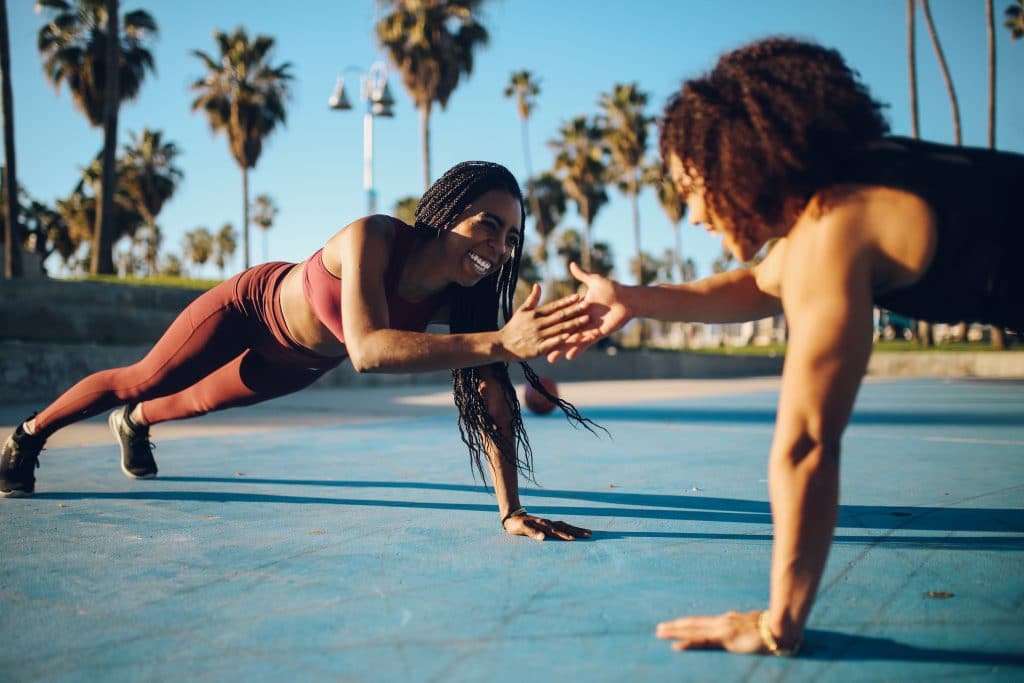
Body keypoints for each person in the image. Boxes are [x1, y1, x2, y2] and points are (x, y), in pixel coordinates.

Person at [554, 38, 1024, 653]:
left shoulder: (832, 234)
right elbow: (757, 282)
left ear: (737, 163)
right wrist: (636, 299)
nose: (691, 213)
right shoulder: (849, 188)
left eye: (689, 187)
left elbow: (804, 446)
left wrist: (780, 623)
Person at [1, 161, 595, 541]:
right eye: (487, 224)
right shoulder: (376, 236)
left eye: (511, 236)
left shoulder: (465, 300)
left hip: (304, 360)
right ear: (444, 215)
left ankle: (131, 426)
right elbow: (367, 351)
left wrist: (509, 511)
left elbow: (491, 397)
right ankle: (27, 436)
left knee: (199, 404)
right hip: (248, 309)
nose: (498, 245)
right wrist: (500, 339)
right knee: (145, 378)